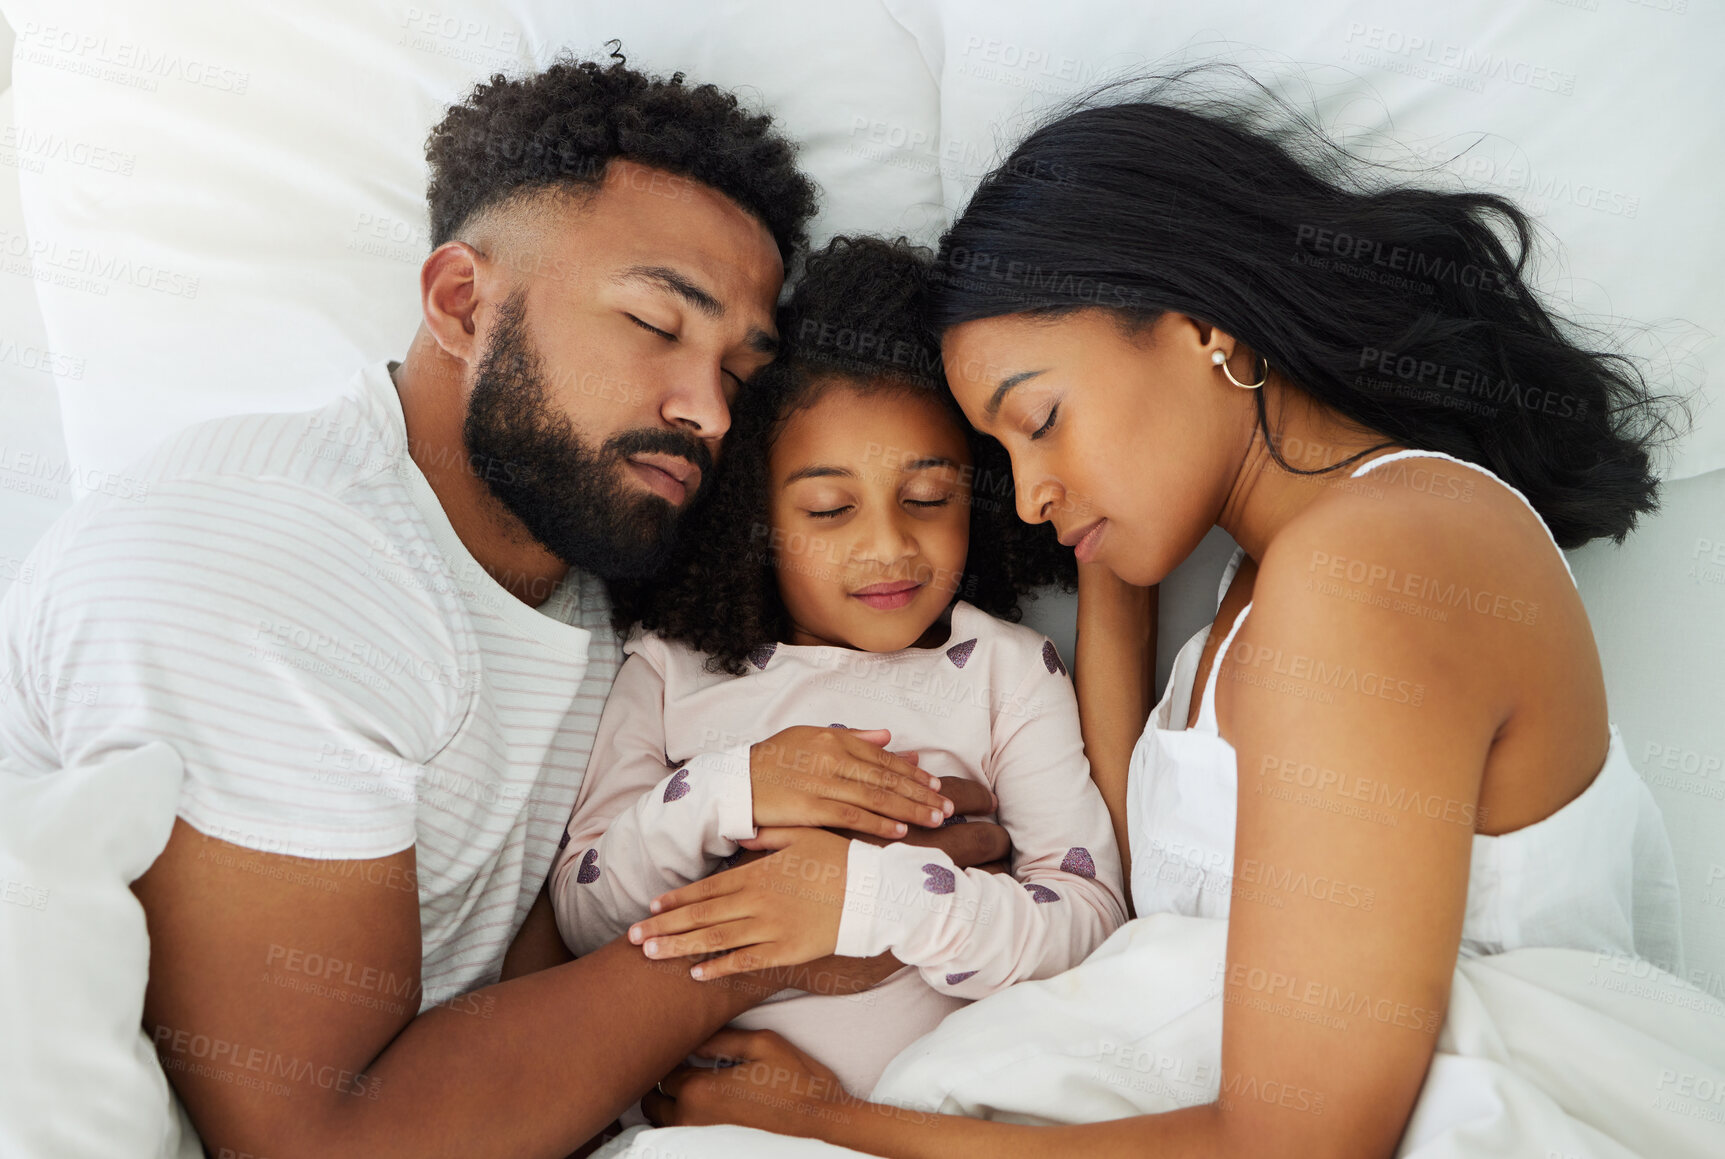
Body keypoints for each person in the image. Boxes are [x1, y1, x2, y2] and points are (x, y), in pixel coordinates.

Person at [635, 82, 1687, 1157]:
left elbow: (1292, 1144)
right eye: (1001, 460)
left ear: (1200, 325)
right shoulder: (1261, 585)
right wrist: (1109, 545)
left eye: (1040, 421)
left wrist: (835, 1121)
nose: (1031, 496)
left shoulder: (1378, 559)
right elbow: (1151, 908)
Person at [0, 57, 1006, 1158]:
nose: (708, 409)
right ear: (460, 303)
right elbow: (318, 1143)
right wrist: (779, 937)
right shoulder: (268, 562)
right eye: (656, 322)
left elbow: (530, 982)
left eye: (739, 370)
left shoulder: (601, 567)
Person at [554, 237, 1126, 1108]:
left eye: (928, 499)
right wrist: (731, 787)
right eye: (828, 509)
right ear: (751, 515)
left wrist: (873, 897)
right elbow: (583, 913)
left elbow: (1087, 921)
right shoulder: (671, 670)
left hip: (932, 1118)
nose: (890, 546)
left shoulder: (1005, 668)